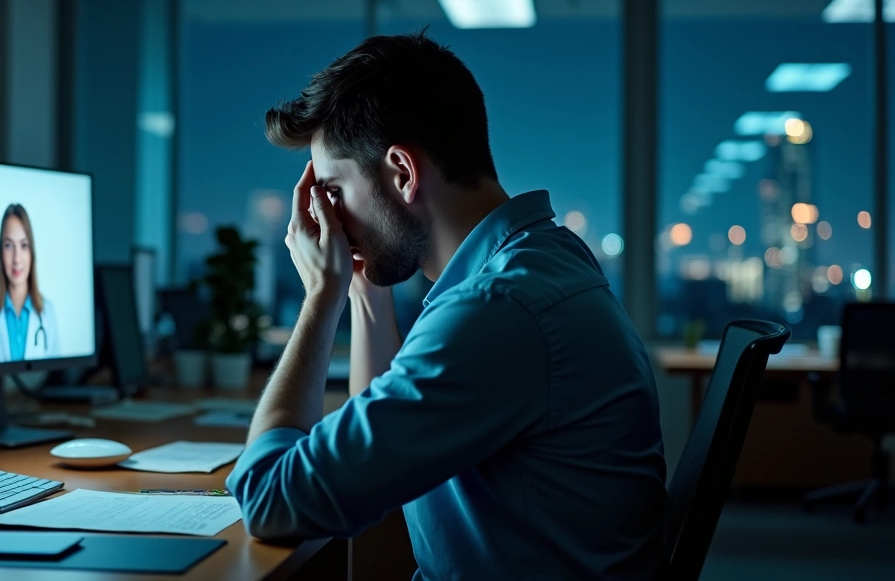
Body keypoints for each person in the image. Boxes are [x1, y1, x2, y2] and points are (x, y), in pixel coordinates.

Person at [225, 31, 667, 580]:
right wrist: (361, 293)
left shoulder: (498, 309)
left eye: (333, 191)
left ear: (403, 174)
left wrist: (319, 297)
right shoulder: (536, 261)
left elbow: (271, 501)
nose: (327, 221)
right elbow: (375, 448)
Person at [0, 204, 61, 363]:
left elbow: (56, 378)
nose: (16, 258)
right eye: (9, 246)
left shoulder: (48, 313)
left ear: (32, 252)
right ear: (0, 252)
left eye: (24, 245)